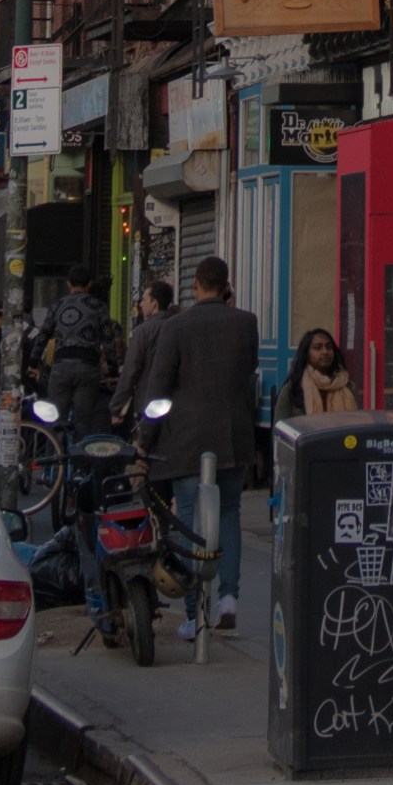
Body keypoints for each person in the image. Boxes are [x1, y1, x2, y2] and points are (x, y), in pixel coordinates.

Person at [147, 254, 259, 637]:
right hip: (232, 436)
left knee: (187, 518)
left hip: (187, 439)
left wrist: (145, 442)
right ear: (226, 287)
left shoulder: (176, 327)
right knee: (228, 512)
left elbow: (158, 387)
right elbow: (248, 371)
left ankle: (194, 612)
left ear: (194, 284)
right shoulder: (246, 323)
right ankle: (228, 598)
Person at [42, 263, 118, 431]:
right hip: (88, 366)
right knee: (83, 420)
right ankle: (79, 447)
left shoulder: (58, 305)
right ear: (89, 284)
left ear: (68, 284)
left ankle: (55, 446)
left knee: (55, 420)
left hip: (61, 365)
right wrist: (112, 372)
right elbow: (108, 340)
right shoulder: (99, 306)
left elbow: (44, 334)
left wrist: (33, 363)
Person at [111, 281, 176, 432]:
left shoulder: (143, 331)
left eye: (144, 299)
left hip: (147, 404)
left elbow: (130, 371)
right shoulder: (178, 327)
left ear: (154, 303)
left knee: (143, 444)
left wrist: (117, 407)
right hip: (175, 405)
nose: (140, 304)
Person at [277, 327, 357, 419]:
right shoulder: (292, 390)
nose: (325, 352)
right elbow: (279, 426)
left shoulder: (346, 386)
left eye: (329, 347)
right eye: (318, 348)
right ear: (306, 354)